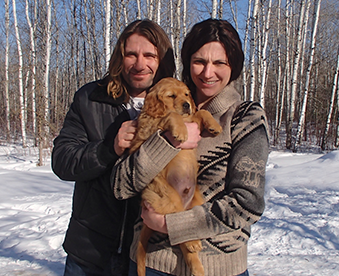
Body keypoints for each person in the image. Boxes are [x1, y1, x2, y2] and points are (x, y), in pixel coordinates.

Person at [111, 18, 269, 276]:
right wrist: (166, 143)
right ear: (188, 63)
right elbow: (120, 186)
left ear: (234, 66)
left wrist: (170, 224)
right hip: (153, 264)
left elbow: (247, 203)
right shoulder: (163, 105)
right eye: (199, 61)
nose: (208, 73)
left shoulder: (246, 117)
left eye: (219, 62)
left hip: (218, 269)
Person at [52, 19, 175, 276]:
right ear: (120, 57)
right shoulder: (91, 97)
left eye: (150, 55)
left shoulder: (177, 101)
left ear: (162, 59)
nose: (140, 64)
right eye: (131, 54)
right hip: (90, 251)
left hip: (148, 255)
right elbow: (62, 160)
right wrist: (109, 148)